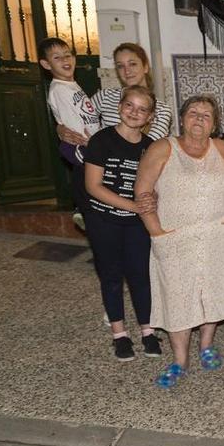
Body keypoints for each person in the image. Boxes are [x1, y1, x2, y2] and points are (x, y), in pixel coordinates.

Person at [134, 95, 224, 388]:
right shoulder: (162, 149)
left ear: (214, 124)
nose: (199, 119)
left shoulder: (223, 148)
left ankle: (207, 346)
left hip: (217, 236)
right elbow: (143, 191)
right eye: (194, 113)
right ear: (182, 118)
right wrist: (156, 233)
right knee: (178, 297)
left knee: (212, 291)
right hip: (175, 238)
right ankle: (179, 360)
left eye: (207, 115)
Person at [81, 85, 159, 361]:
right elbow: (93, 186)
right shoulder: (102, 140)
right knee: (112, 276)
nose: (134, 112)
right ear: (119, 107)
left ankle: (147, 330)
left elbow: (155, 185)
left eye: (142, 109)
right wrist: (133, 206)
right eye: (130, 106)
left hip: (137, 224)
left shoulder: (151, 148)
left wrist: (151, 201)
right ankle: (119, 334)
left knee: (141, 276)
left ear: (150, 116)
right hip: (104, 220)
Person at [38, 37, 101, 226]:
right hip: (78, 142)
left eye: (67, 55)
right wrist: (85, 141)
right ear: (46, 64)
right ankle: (81, 208)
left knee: (90, 172)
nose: (65, 60)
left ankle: (85, 207)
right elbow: (71, 123)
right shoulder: (59, 89)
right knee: (88, 171)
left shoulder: (71, 85)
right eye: (57, 58)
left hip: (87, 141)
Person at [58, 42, 172, 145]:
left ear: (145, 67)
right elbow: (78, 119)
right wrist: (61, 129)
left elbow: (148, 149)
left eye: (132, 64)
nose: (127, 71)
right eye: (120, 66)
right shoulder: (105, 96)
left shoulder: (161, 110)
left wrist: (96, 147)